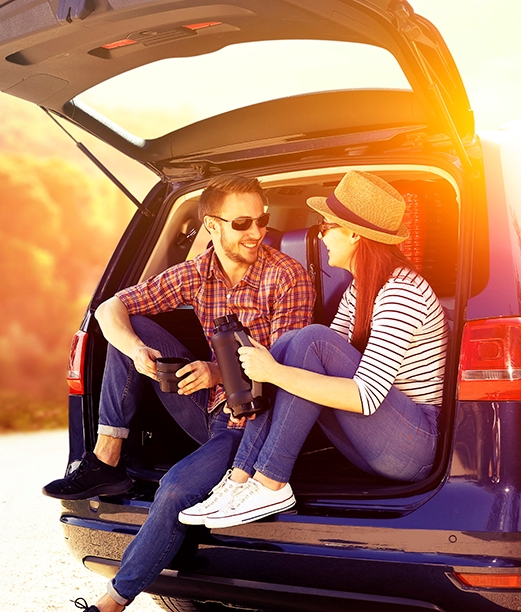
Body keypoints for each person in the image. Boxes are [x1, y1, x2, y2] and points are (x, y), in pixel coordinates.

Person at [57, 174, 314, 612]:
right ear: (212, 227)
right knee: (130, 327)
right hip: (208, 409)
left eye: (263, 220)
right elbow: (108, 309)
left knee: (174, 489)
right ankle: (106, 461)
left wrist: (217, 371)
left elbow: (286, 373)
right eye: (242, 223)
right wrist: (138, 351)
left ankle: (110, 605)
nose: (257, 232)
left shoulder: (287, 276)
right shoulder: (198, 273)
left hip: (253, 423)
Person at [176, 169, 446, 531]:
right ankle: (240, 479)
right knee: (292, 344)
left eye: (325, 226)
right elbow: (314, 365)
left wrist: (271, 372)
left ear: (353, 233)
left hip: (413, 448)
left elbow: (365, 396)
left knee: (306, 340)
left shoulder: (401, 292)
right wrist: (275, 368)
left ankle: (270, 482)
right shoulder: (359, 290)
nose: (321, 236)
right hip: (376, 443)